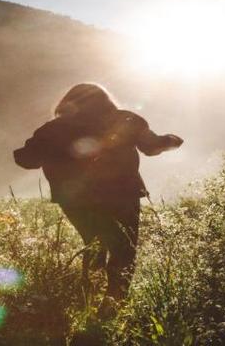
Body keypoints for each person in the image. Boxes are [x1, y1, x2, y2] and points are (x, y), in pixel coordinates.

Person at [13, 83, 183, 300]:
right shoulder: (126, 120)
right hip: (122, 193)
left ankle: (89, 300)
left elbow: (28, 159)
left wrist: (48, 152)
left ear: (67, 103)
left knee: (94, 244)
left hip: (75, 199)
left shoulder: (52, 129)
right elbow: (152, 147)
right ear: (106, 100)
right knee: (124, 249)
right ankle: (115, 301)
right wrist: (172, 140)